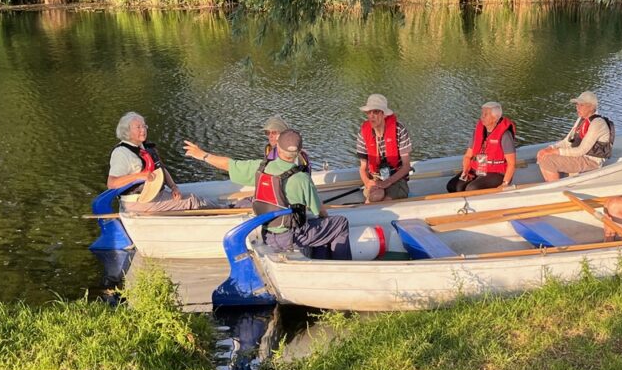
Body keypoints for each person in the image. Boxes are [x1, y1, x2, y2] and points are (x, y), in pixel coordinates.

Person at [184, 130, 351, 259]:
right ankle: (340, 266)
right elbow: (319, 211)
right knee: (340, 223)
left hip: (267, 235)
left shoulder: (260, 168)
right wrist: (323, 217)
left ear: (278, 147)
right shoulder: (302, 178)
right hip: (292, 237)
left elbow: (229, 164)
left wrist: (202, 155)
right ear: (299, 152)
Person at [107, 112, 209, 212]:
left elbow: (161, 169)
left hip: (156, 195)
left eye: (144, 126)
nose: (143, 130)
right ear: (127, 131)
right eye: (138, 127)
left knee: (192, 197)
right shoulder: (121, 153)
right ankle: (218, 211)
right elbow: (112, 184)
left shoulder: (145, 147)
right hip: (138, 202)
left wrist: (173, 187)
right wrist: (138, 176)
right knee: (192, 200)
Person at [537, 91, 615, 181]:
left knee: (549, 160)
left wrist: (554, 152)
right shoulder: (581, 120)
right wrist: (550, 148)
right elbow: (567, 141)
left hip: (591, 161)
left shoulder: (598, 123)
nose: (577, 108)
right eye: (577, 105)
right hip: (580, 157)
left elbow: (581, 151)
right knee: (542, 155)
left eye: (581, 105)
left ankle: (557, 188)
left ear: (591, 107)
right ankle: (553, 184)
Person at [447, 101, 517, 192]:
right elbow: (468, 156)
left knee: (472, 188)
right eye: (482, 113)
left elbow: (511, 164)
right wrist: (465, 172)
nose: (482, 117)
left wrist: (505, 183)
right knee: (453, 186)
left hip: (497, 173)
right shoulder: (478, 132)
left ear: (495, 117)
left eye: (486, 114)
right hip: (478, 169)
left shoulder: (505, 135)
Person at [356, 94, 412, 202]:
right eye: (368, 112)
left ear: (384, 114)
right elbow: (363, 168)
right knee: (375, 197)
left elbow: (406, 166)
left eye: (376, 112)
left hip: (397, 178)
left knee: (387, 201)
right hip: (375, 178)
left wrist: (388, 182)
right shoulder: (363, 133)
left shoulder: (399, 130)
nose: (371, 116)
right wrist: (367, 182)